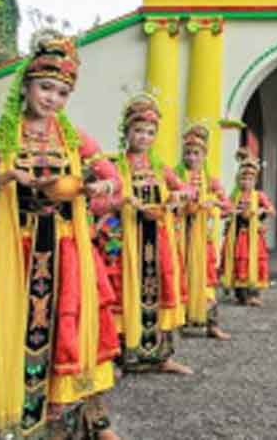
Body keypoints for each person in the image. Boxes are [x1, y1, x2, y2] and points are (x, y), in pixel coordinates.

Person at [0, 31, 122, 439]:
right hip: (11, 255)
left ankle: (62, 426)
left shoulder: (74, 138)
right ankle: (12, 426)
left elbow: (113, 182)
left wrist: (97, 187)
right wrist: (0, 176)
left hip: (65, 252)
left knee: (64, 337)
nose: (52, 98)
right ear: (26, 85)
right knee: (10, 338)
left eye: (61, 92)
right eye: (45, 87)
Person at [102, 93, 193, 375]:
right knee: (123, 293)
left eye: (150, 132)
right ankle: (119, 358)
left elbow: (187, 190)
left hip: (157, 240)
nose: (144, 137)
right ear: (127, 132)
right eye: (138, 131)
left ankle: (161, 357)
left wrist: (178, 196)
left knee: (161, 290)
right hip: (126, 240)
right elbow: (95, 204)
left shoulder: (160, 168)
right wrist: (123, 202)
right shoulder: (114, 166)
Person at [175, 123, 231, 340]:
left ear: (204, 155)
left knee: (206, 279)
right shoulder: (177, 176)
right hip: (180, 236)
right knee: (179, 275)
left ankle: (212, 324)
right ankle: (179, 321)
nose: (191, 157)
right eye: (187, 153)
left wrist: (213, 203)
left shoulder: (211, 180)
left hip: (202, 237)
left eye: (196, 153)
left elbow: (226, 205)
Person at [221, 147, 276, 306]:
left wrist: (261, 210)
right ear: (238, 179)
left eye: (250, 179)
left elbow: (272, 211)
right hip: (237, 235)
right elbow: (224, 212)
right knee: (239, 261)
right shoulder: (235, 195)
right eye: (243, 178)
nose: (246, 182)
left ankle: (254, 293)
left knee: (254, 260)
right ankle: (241, 294)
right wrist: (232, 211)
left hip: (253, 236)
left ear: (255, 180)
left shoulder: (259, 195)